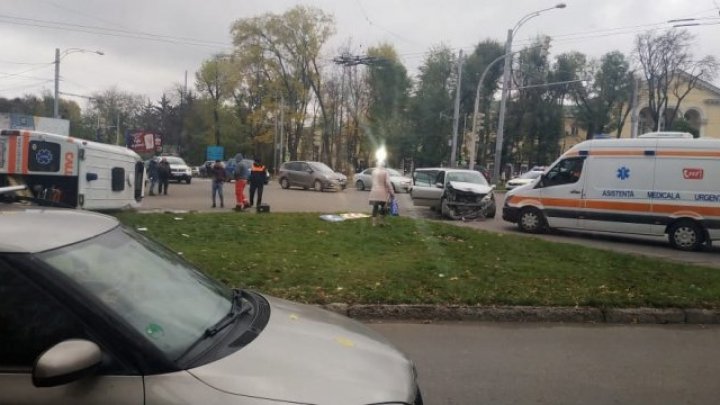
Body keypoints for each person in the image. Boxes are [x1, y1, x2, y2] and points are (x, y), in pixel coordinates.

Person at [368, 161, 395, 227]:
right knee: (384, 207)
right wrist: (392, 192)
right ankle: (381, 222)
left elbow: (373, 181)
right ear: (384, 165)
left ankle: (374, 223)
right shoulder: (385, 172)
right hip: (382, 192)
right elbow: (388, 183)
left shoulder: (374, 172)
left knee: (375, 207)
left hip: (374, 192)